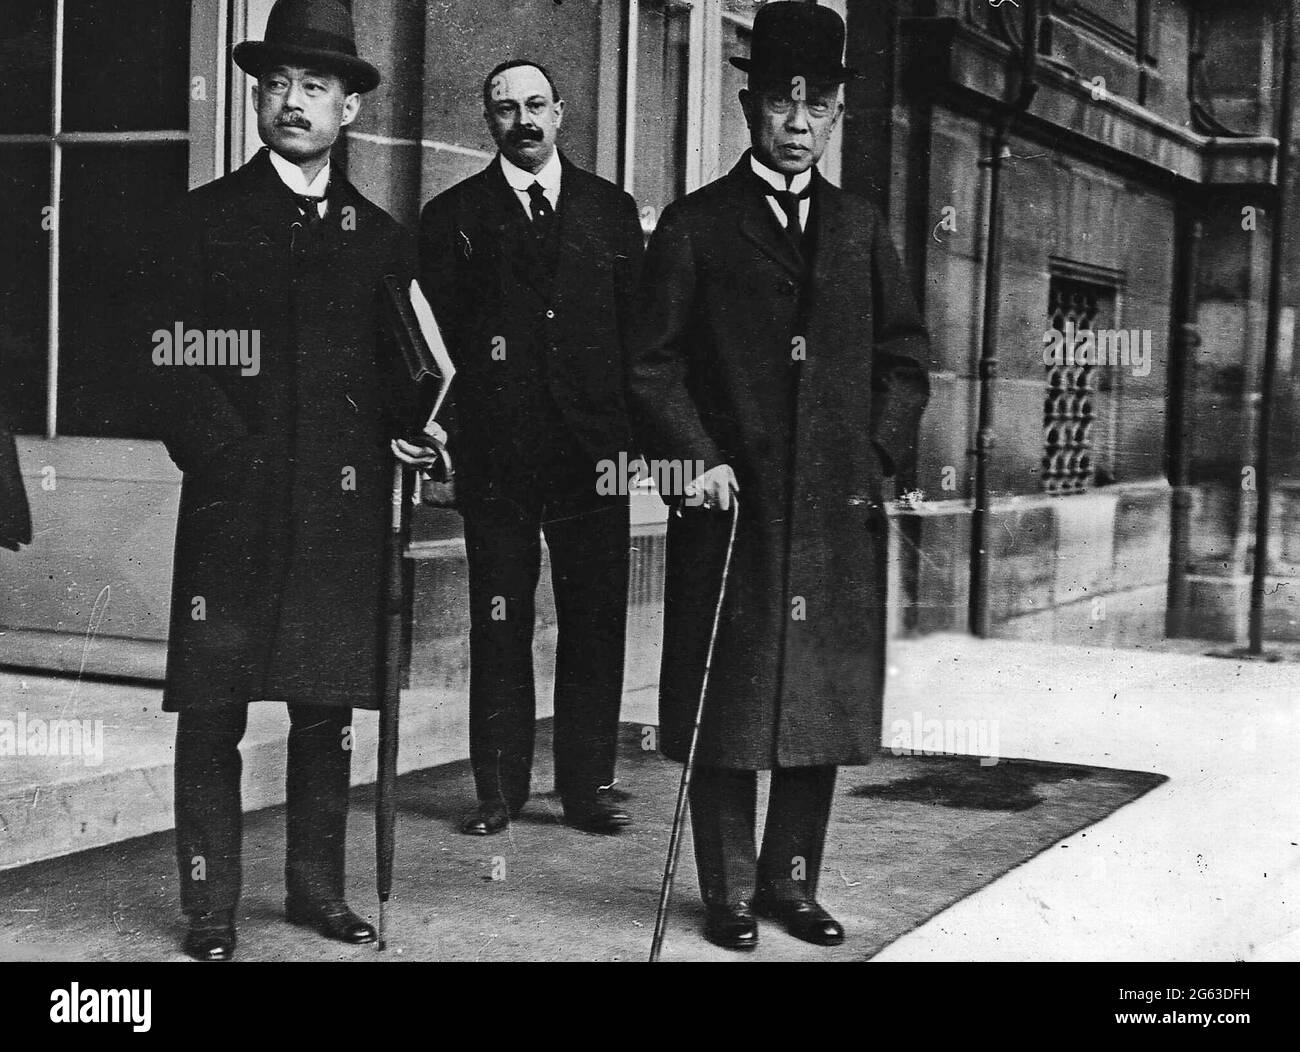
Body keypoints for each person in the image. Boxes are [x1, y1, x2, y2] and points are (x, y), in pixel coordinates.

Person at [131, 0, 439, 961]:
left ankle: (316, 894)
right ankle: (209, 908)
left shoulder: (379, 235)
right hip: (233, 509)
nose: (291, 102)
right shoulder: (204, 220)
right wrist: (229, 456)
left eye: (314, 86)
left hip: (340, 515)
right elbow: (167, 357)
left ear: (349, 108)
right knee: (214, 715)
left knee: (324, 713)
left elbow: (403, 369)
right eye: (275, 85)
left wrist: (411, 434)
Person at [628, 2, 931, 951]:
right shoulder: (695, 224)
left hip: (832, 515)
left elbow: (906, 357)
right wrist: (697, 461)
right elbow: (650, 363)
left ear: (835, 115)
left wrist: (873, 455)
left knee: (818, 704)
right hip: (734, 507)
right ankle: (724, 893)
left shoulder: (861, 227)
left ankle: (791, 886)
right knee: (729, 699)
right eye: (781, 104)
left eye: (819, 108)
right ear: (750, 106)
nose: (799, 124)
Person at [418, 60, 644, 836]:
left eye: (537, 105)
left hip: (593, 459)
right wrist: (441, 438)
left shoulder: (611, 213)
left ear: (562, 112)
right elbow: (433, 345)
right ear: (489, 121)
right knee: (500, 620)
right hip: (498, 460)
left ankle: (587, 789)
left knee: (594, 622)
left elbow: (641, 339)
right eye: (506, 107)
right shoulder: (453, 215)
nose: (524, 119)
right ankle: (498, 791)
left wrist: (637, 445)